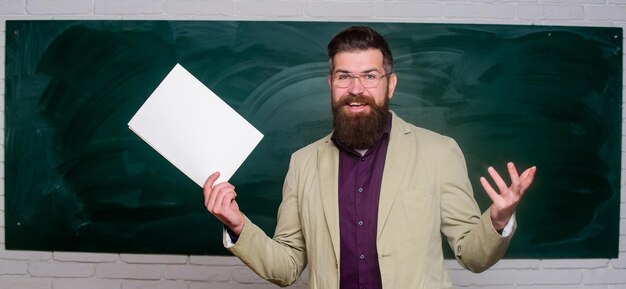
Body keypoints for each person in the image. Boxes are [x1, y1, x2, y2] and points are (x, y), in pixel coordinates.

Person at [203, 26, 536, 289]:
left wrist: (496, 222)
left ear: (390, 85)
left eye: (370, 76)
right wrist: (237, 226)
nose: (356, 89)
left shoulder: (439, 151)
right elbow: (287, 267)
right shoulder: (302, 163)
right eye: (344, 76)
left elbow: (472, 257)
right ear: (330, 84)